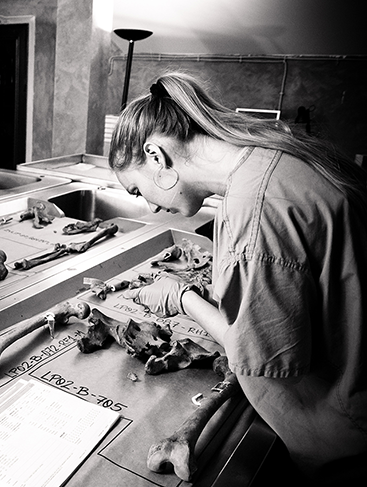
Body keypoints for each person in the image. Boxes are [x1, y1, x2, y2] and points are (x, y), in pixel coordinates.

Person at [108, 72, 367, 484]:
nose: (151, 208)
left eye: (137, 191)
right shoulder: (272, 157)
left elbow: (260, 355)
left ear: (156, 157)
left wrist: (183, 299)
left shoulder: (255, 206)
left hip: (346, 439)